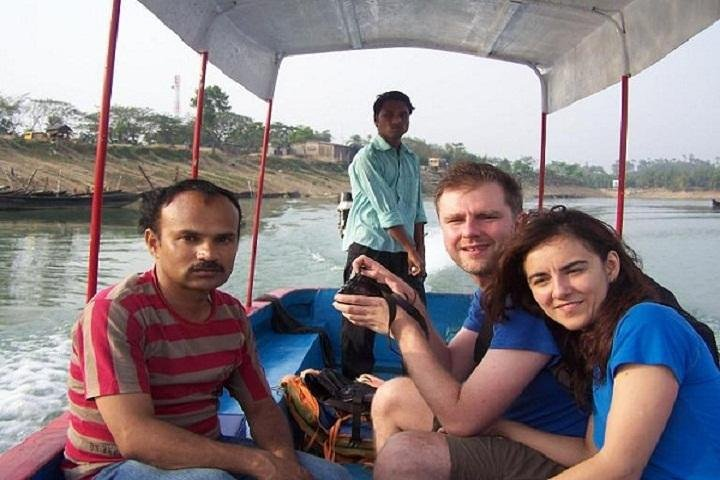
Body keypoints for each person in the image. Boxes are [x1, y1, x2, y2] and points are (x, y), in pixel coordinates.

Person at [62, 179, 350, 480]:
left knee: (331, 476)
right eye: (189, 238)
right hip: (110, 466)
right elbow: (134, 436)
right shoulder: (117, 312)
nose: (208, 254)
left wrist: (284, 464)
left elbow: (261, 406)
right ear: (153, 243)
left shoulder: (231, 314)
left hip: (205, 448)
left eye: (223, 240)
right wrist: (259, 464)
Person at [334, 162, 587, 480]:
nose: (469, 232)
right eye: (456, 220)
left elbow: (460, 420)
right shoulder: (492, 292)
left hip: (553, 453)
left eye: (487, 217)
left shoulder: (532, 299)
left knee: (405, 456)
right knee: (391, 397)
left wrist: (402, 326)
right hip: (506, 424)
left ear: (519, 223)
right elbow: (451, 366)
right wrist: (411, 304)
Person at [483, 207, 720, 478]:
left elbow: (619, 468)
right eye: (541, 280)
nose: (559, 291)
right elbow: (591, 454)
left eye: (574, 270)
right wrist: (503, 428)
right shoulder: (601, 347)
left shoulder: (648, 323)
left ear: (610, 267)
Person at [340, 90, 427, 379]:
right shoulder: (366, 158)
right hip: (369, 247)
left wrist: (419, 252)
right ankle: (355, 385)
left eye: (403, 115)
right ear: (376, 120)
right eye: (388, 115)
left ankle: (417, 383)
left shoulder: (412, 159)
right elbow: (386, 209)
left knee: (415, 315)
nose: (396, 120)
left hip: (404, 250)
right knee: (359, 320)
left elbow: (416, 209)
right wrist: (411, 249)